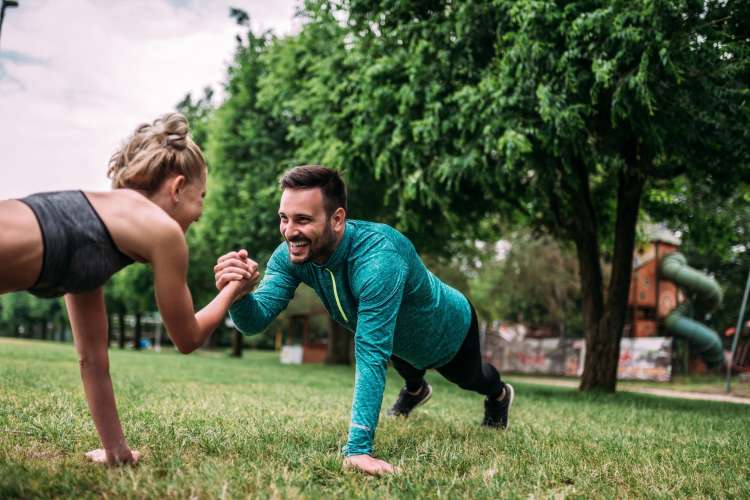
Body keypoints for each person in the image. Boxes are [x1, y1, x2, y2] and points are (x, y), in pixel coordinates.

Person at [214, 165, 514, 476]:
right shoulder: (292, 255)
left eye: (303, 219)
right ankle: (415, 391)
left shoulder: (379, 258)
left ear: (338, 218)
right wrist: (238, 294)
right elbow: (254, 321)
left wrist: (358, 449)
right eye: (284, 218)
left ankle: (499, 394)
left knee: (470, 378)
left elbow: (371, 353)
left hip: (447, 331)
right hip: (397, 338)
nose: (290, 231)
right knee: (405, 362)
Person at [0, 113, 258, 466]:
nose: (200, 213)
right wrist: (234, 289)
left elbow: (91, 358)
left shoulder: (92, 236)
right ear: (177, 187)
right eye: (201, 197)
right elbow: (187, 337)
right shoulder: (162, 232)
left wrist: (117, 453)